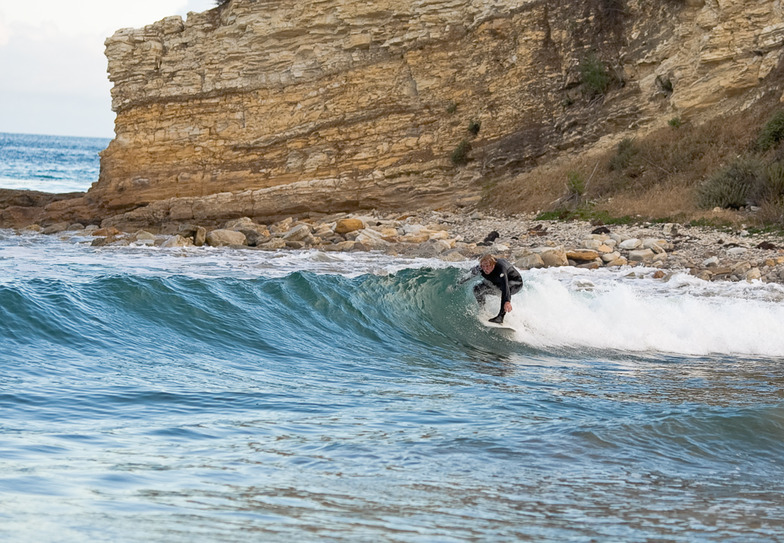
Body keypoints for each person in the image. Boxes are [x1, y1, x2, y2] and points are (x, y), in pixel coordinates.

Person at [465, 254, 523, 324]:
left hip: (515, 283)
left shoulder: (501, 268)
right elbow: (468, 276)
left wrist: (507, 301)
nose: (485, 269)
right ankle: (483, 310)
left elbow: (505, 286)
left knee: (504, 290)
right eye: (483, 266)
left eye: (487, 266)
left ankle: (500, 317)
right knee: (477, 289)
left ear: (493, 265)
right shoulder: (480, 268)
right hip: (498, 283)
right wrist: (458, 283)